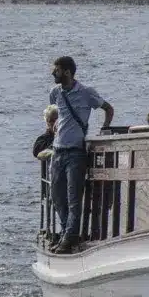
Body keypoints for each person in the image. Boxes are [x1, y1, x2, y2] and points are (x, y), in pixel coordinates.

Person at [46, 56, 112, 253]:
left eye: (56, 70)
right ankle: (68, 232)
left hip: (76, 152)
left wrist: (105, 128)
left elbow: (108, 109)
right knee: (56, 197)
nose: (53, 73)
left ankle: (68, 238)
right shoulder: (55, 92)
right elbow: (57, 113)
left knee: (73, 198)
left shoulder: (86, 92)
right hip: (57, 151)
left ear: (67, 72)